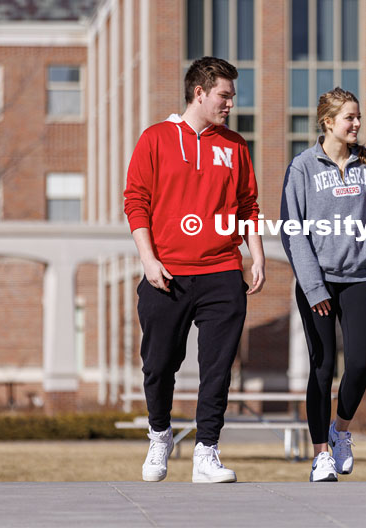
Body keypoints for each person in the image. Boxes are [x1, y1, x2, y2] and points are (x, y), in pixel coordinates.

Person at [123, 56, 265, 483]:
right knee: (159, 363)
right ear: (199, 93)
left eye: (232, 96)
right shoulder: (156, 139)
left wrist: (256, 256)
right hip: (166, 274)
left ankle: (207, 451)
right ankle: (160, 434)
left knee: (219, 365)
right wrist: (149, 261)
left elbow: (248, 207)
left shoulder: (236, 145)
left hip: (222, 271)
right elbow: (136, 202)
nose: (230, 103)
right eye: (224, 95)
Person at [280, 87, 366, 482]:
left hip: (361, 278)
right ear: (328, 122)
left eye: (358, 117)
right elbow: (293, 232)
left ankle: (340, 432)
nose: (357, 124)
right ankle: (320, 454)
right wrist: (313, 287)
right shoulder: (303, 168)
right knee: (322, 366)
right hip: (319, 282)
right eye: (350, 118)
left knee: (359, 364)